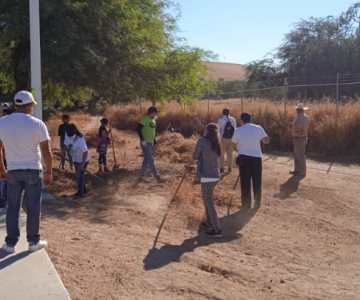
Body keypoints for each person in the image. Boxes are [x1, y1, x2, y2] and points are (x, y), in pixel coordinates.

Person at [0, 90, 53, 254]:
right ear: (29, 105)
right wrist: (49, 172)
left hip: (13, 171)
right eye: (32, 106)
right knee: (33, 206)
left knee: (13, 207)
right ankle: (33, 242)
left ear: (16, 105)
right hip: (33, 170)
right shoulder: (37, 124)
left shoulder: (2, 123)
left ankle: (10, 244)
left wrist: (2, 168)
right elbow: (46, 151)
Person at [232, 112, 270, 210]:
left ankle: (246, 205)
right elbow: (266, 140)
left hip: (243, 158)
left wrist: (240, 149)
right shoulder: (258, 128)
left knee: (245, 182)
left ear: (241, 120)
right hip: (256, 158)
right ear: (251, 119)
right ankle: (257, 203)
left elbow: (235, 146)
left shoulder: (237, 130)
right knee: (257, 181)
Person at [193, 123, 222, 238]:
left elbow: (195, 156)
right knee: (207, 199)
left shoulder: (202, 141)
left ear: (206, 131)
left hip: (206, 176)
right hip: (215, 175)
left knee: (209, 202)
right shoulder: (216, 142)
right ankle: (208, 223)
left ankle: (217, 229)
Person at [137, 106, 163, 182]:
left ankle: (141, 177)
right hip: (145, 143)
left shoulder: (154, 121)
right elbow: (138, 128)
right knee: (151, 161)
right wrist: (142, 139)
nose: (156, 114)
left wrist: (154, 141)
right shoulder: (144, 119)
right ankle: (158, 177)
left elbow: (153, 132)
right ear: (152, 113)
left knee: (146, 160)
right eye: (156, 113)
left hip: (151, 143)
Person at [64, 124, 90, 198]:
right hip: (75, 159)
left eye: (71, 134)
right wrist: (63, 153)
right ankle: (84, 190)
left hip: (83, 159)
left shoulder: (80, 139)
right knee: (79, 175)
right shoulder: (67, 134)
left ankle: (80, 193)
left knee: (80, 175)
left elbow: (85, 152)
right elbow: (66, 145)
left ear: (74, 131)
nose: (69, 136)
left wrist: (82, 164)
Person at [291, 103, 310, 177]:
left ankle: (301, 171)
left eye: (297, 109)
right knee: (297, 154)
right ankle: (297, 170)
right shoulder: (307, 117)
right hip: (303, 137)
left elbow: (298, 128)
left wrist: (295, 133)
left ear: (298, 110)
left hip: (299, 138)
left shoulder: (299, 118)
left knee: (300, 155)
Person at [217, 108, 237, 173]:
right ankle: (229, 168)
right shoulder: (233, 119)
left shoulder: (220, 120)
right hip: (231, 138)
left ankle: (221, 168)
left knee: (221, 154)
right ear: (229, 113)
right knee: (230, 154)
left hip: (223, 139)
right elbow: (235, 129)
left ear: (223, 113)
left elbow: (218, 130)